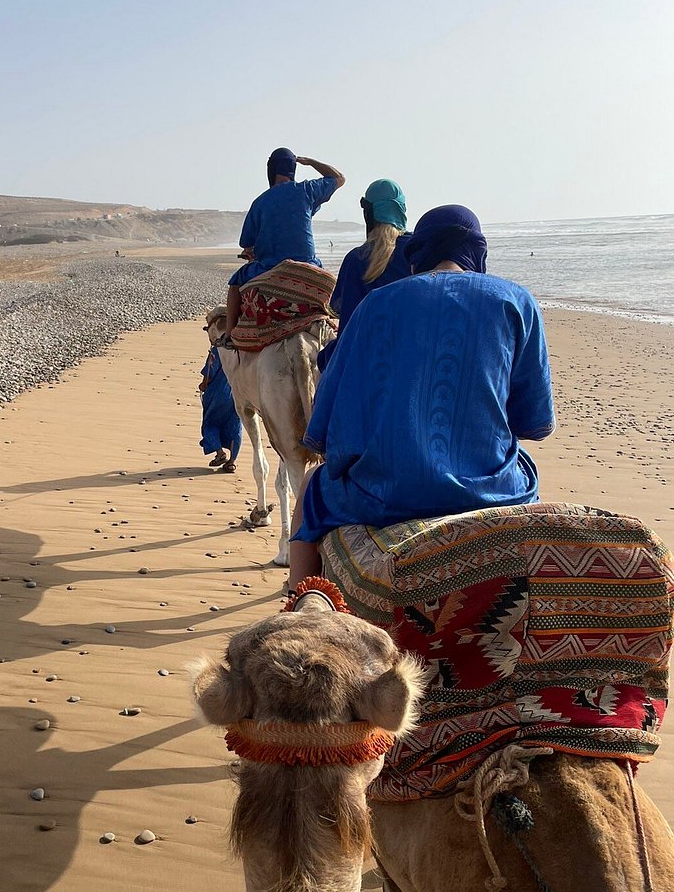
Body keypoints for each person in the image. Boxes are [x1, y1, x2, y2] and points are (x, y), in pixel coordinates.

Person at [290, 204, 555, 589]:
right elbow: (534, 423)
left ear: (416, 255)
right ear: (478, 253)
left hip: (384, 495)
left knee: (311, 488)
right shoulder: (517, 301)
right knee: (526, 468)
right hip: (493, 491)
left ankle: (302, 603)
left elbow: (329, 426)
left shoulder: (375, 304)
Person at [224, 148, 345, 341]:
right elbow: (339, 178)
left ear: (270, 171)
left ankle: (229, 335)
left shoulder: (259, 203)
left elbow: (246, 243)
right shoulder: (307, 190)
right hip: (308, 267)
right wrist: (311, 162)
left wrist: (251, 251)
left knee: (235, 283)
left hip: (270, 267)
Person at [317, 177, 413, 371]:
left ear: (368, 214)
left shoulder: (357, 259)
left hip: (370, 356)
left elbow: (348, 328)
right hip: (413, 351)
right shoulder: (418, 252)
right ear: (401, 210)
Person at [198, 308, 242, 472]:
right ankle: (232, 461)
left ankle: (219, 452)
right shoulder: (241, 346)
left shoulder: (217, 349)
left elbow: (210, 369)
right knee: (235, 424)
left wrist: (203, 384)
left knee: (210, 422)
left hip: (217, 393)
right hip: (238, 391)